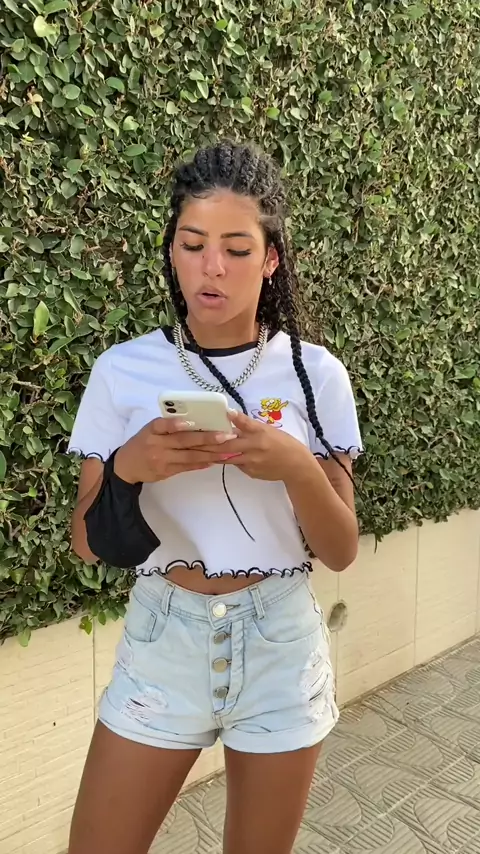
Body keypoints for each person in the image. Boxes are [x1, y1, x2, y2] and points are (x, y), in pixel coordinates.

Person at [66, 141, 363, 854]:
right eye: (194, 244)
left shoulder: (315, 374)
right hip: (163, 639)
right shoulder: (123, 371)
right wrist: (131, 466)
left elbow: (341, 549)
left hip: (278, 639)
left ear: (271, 259)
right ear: (172, 251)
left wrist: (295, 467)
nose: (213, 267)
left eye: (237, 248)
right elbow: (86, 543)